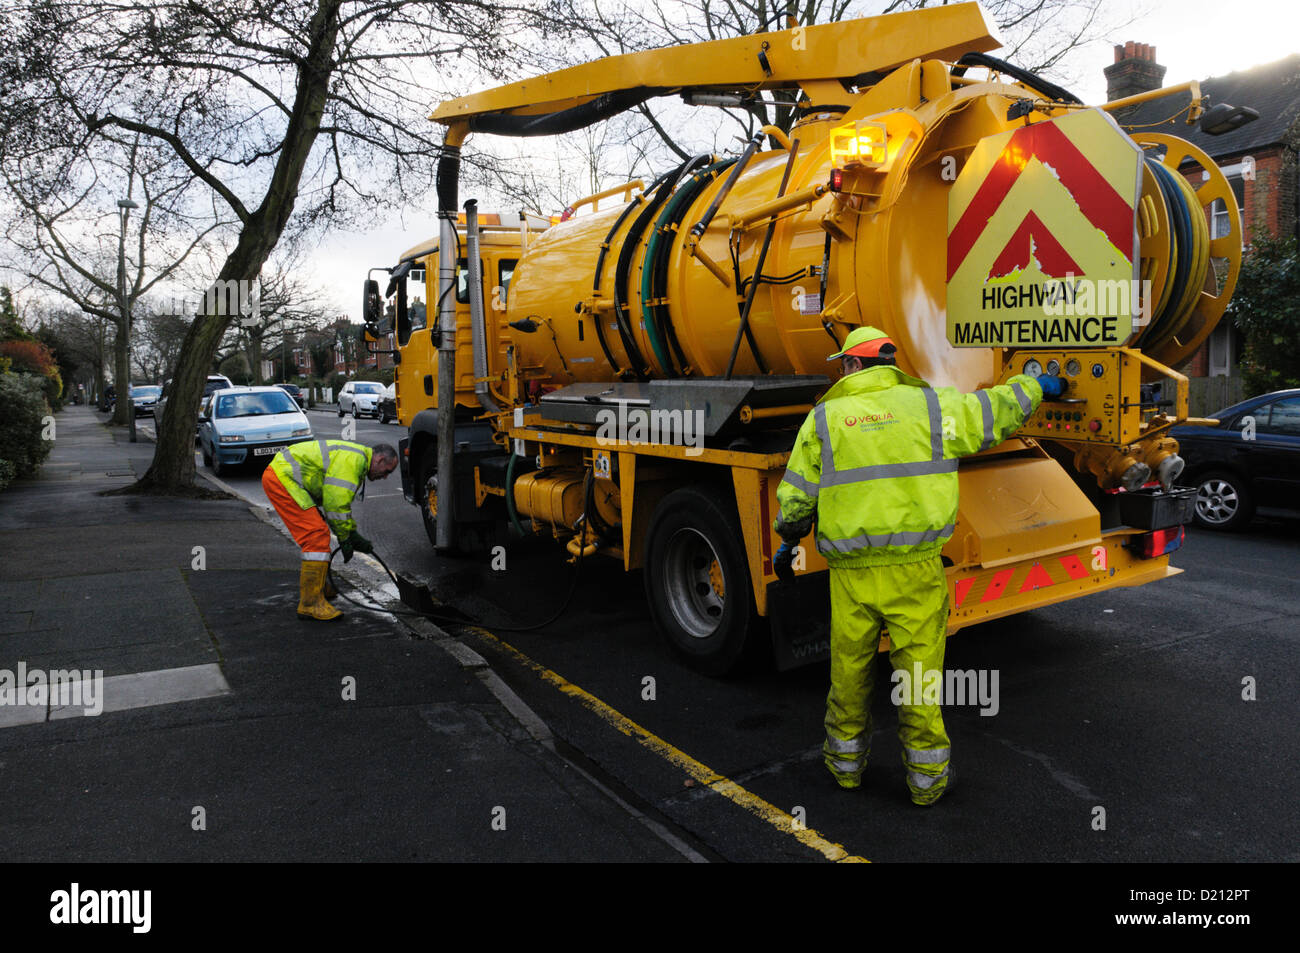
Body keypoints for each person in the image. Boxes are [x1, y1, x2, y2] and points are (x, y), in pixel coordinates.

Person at [773, 326, 1064, 805]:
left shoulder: (825, 419)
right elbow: (994, 412)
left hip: (852, 574)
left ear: (853, 365)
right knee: (920, 676)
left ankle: (845, 768)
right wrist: (1036, 384)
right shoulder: (932, 408)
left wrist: (789, 538)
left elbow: (798, 496)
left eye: (843, 363)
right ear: (889, 362)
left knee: (849, 669)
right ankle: (926, 783)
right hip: (917, 569)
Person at [262, 439, 400, 621]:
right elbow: (335, 506)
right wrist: (345, 538)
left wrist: (351, 534)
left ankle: (318, 587)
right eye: (387, 471)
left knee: (318, 530)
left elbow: (339, 507)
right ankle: (310, 603)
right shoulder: (353, 462)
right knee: (316, 536)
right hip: (282, 479)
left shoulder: (357, 459)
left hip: (284, 477)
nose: (385, 477)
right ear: (380, 460)